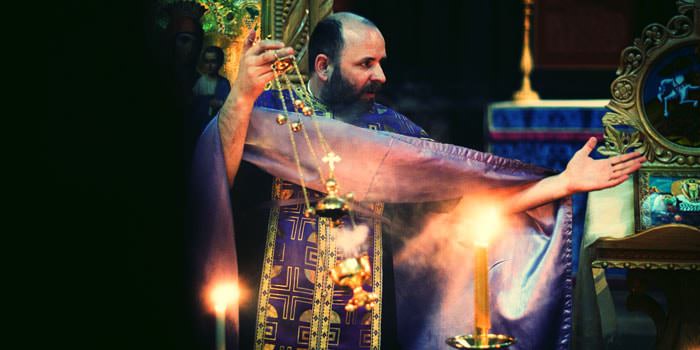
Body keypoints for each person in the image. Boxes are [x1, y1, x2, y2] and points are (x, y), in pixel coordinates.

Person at [194, 12, 645, 349]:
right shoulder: (268, 111)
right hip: (271, 310)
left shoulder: (395, 134)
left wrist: (562, 185)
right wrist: (241, 97)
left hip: (365, 312)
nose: (382, 76)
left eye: (382, 62)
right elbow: (214, 180)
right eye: (366, 64)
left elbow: (468, 203)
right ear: (323, 66)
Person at [192, 46, 231, 133]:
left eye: (213, 62)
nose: (209, 66)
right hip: (202, 127)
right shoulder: (199, 83)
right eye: (207, 62)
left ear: (219, 63)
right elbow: (193, 107)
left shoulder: (224, 84)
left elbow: (229, 107)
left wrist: (221, 103)